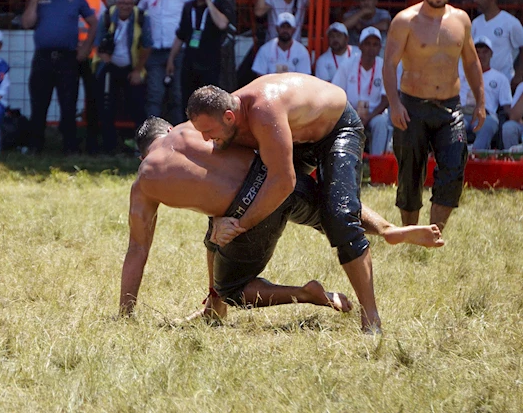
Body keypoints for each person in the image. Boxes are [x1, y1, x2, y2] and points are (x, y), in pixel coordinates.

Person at [120, 116, 444, 320]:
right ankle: (388, 228)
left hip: (247, 211)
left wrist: (125, 312)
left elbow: (138, 250)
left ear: (143, 154)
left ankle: (303, 293)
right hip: (280, 179)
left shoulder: (146, 178)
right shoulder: (200, 128)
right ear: (169, 129)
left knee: (233, 284)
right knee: (333, 208)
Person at [185, 76, 379, 332]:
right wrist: (221, 219)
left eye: (209, 133)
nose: (207, 139)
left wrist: (241, 224)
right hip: (294, 138)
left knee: (340, 216)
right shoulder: (223, 120)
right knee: (233, 198)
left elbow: (283, 182)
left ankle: (371, 318)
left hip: (335, 129)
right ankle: (215, 305)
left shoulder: (263, 112)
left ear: (230, 117)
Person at [383, 0, 485, 232]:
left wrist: (480, 102)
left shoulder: (461, 19)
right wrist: (394, 104)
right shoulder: (405, 20)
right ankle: (411, 234)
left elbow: (472, 62)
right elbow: (389, 64)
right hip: (412, 106)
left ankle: (434, 234)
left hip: (450, 109)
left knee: (453, 170)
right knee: (410, 174)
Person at [22, 0, 97, 154]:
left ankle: (70, 147)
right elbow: (27, 23)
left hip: (68, 58)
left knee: (68, 104)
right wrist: (34, 0)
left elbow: (93, 23)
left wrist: (86, 48)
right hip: (43, 58)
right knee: (39, 103)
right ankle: (35, 146)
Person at [137, 0, 195, 125]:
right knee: (154, 95)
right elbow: (141, 13)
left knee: (178, 96)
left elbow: (191, 16)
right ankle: (151, 138)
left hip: (178, 50)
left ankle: (180, 136)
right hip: (154, 50)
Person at [96, 0, 151, 153]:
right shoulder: (107, 15)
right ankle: (109, 146)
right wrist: (104, 55)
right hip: (110, 66)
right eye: (122, 3)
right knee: (107, 108)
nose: (125, 6)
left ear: (134, 3)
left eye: (129, 3)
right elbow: (98, 41)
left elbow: (147, 46)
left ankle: (140, 146)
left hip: (132, 67)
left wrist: (137, 71)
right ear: (117, 2)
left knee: (137, 107)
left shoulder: (142, 17)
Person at [167, 0, 233, 107]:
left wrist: (209, 2)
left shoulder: (219, 4)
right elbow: (181, 35)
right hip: (190, 61)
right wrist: (171, 59)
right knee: (187, 100)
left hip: (210, 62)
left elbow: (222, 24)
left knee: (209, 101)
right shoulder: (189, 7)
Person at [332, 27, 391, 155]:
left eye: (375, 44)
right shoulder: (347, 64)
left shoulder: (384, 67)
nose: (371, 48)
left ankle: (377, 162)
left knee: (381, 123)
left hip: (374, 113)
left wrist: (369, 117)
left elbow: (386, 99)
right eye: (367, 44)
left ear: (380, 47)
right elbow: (337, 93)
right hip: (349, 112)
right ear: (360, 46)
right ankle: (345, 158)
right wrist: (352, 115)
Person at [68, 0, 105, 154]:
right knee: (69, 99)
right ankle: (70, 142)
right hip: (69, 56)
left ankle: (93, 142)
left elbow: (103, 26)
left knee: (93, 100)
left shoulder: (95, 0)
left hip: (91, 57)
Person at [459, 36, 512, 150]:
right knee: (453, 128)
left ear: (491, 54)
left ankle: (476, 156)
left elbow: (507, 105)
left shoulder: (500, 78)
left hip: (485, 115)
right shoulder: (461, 74)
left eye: (485, 52)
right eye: (477, 52)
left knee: (487, 126)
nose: (481, 55)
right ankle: (456, 159)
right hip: (462, 113)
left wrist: (515, 117)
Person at [471, 0, 523, 81]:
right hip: (480, 81)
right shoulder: (476, 23)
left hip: (504, 80)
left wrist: (519, 74)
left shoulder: (510, 22)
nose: (475, 0)